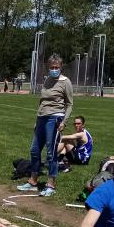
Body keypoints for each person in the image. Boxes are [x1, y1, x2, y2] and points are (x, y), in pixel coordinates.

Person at [17, 54, 74, 197]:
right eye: (52, 67)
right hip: (41, 118)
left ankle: (51, 184)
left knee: (51, 152)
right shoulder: (47, 80)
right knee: (34, 150)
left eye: (56, 67)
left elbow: (69, 104)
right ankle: (33, 182)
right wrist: (37, 120)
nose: (54, 69)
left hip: (55, 118)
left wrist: (64, 121)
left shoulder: (65, 82)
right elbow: (42, 101)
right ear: (48, 67)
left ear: (61, 67)